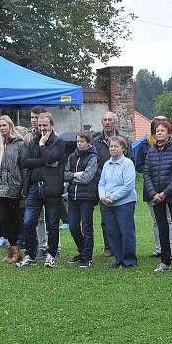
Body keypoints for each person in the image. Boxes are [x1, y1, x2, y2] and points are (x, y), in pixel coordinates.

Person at [18, 112, 65, 268]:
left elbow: (52, 158)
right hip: (33, 188)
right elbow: (25, 162)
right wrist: (43, 161)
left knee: (52, 224)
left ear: (51, 125)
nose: (42, 128)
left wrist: (42, 145)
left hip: (51, 188)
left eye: (45, 125)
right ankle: (31, 255)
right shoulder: (32, 142)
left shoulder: (58, 142)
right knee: (28, 222)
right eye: (40, 125)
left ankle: (51, 254)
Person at [143, 120, 172, 273]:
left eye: (162, 130)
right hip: (156, 196)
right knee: (162, 228)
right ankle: (165, 261)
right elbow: (147, 173)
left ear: (169, 133)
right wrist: (153, 193)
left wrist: (165, 193)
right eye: (157, 131)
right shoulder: (151, 151)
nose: (159, 133)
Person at [0, 116, 27, 264]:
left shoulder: (19, 144)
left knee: (13, 219)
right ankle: (12, 248)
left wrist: (24, 187)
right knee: (1, 218)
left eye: (4, 125)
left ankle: (15, 250)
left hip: (15, 187)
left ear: (10, 125)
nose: (2, 128)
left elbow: (24, 167)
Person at [92, 111, 134, 258]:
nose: (107, 122)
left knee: (124, 224)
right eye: (105, 120)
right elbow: (94, 161)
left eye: (110, 119)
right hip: (103, 185)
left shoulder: (125, 139)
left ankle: (126, 252)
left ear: (115, 122)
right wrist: (103, 194)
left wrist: (113, 195)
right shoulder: (95, 140)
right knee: (106, 222)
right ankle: (109, 247)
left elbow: (130, 161)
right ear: (102, 122)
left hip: (122, 191)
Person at [136, 116, 172, 259]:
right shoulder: (145, 145)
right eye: (156, 128)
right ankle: (159, 248)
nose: (158, 131)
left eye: (162, 128)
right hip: (151, 188)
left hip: (167, 188)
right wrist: (153, 174)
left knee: (170, 219)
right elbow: (140, 166)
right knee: (156, 220)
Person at [98, 136, 137, 268]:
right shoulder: (106, 164)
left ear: (123, 148)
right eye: (111, 146)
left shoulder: (127, 164)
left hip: (124, 203)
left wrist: (112, 198)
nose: (112, 148)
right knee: (112, 232)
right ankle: (119, 259)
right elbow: (101, 183)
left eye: (116, 146)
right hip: (107, 204)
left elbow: (128, 186)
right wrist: (102, 196)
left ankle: (129, 260)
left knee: (126, 232)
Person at [64, 131, 99, 267]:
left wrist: (73, 178)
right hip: (73, 197)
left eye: (82, 141)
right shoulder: (72, 157)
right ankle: (82, 250)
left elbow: (87, 178)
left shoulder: (93, 158)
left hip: (87, 198)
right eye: (78, 141)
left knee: (87, 227)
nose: (79, 143)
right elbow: (65, 175)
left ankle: (87, 257)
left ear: (89, 143)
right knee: (73, 226)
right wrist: (75, 175)